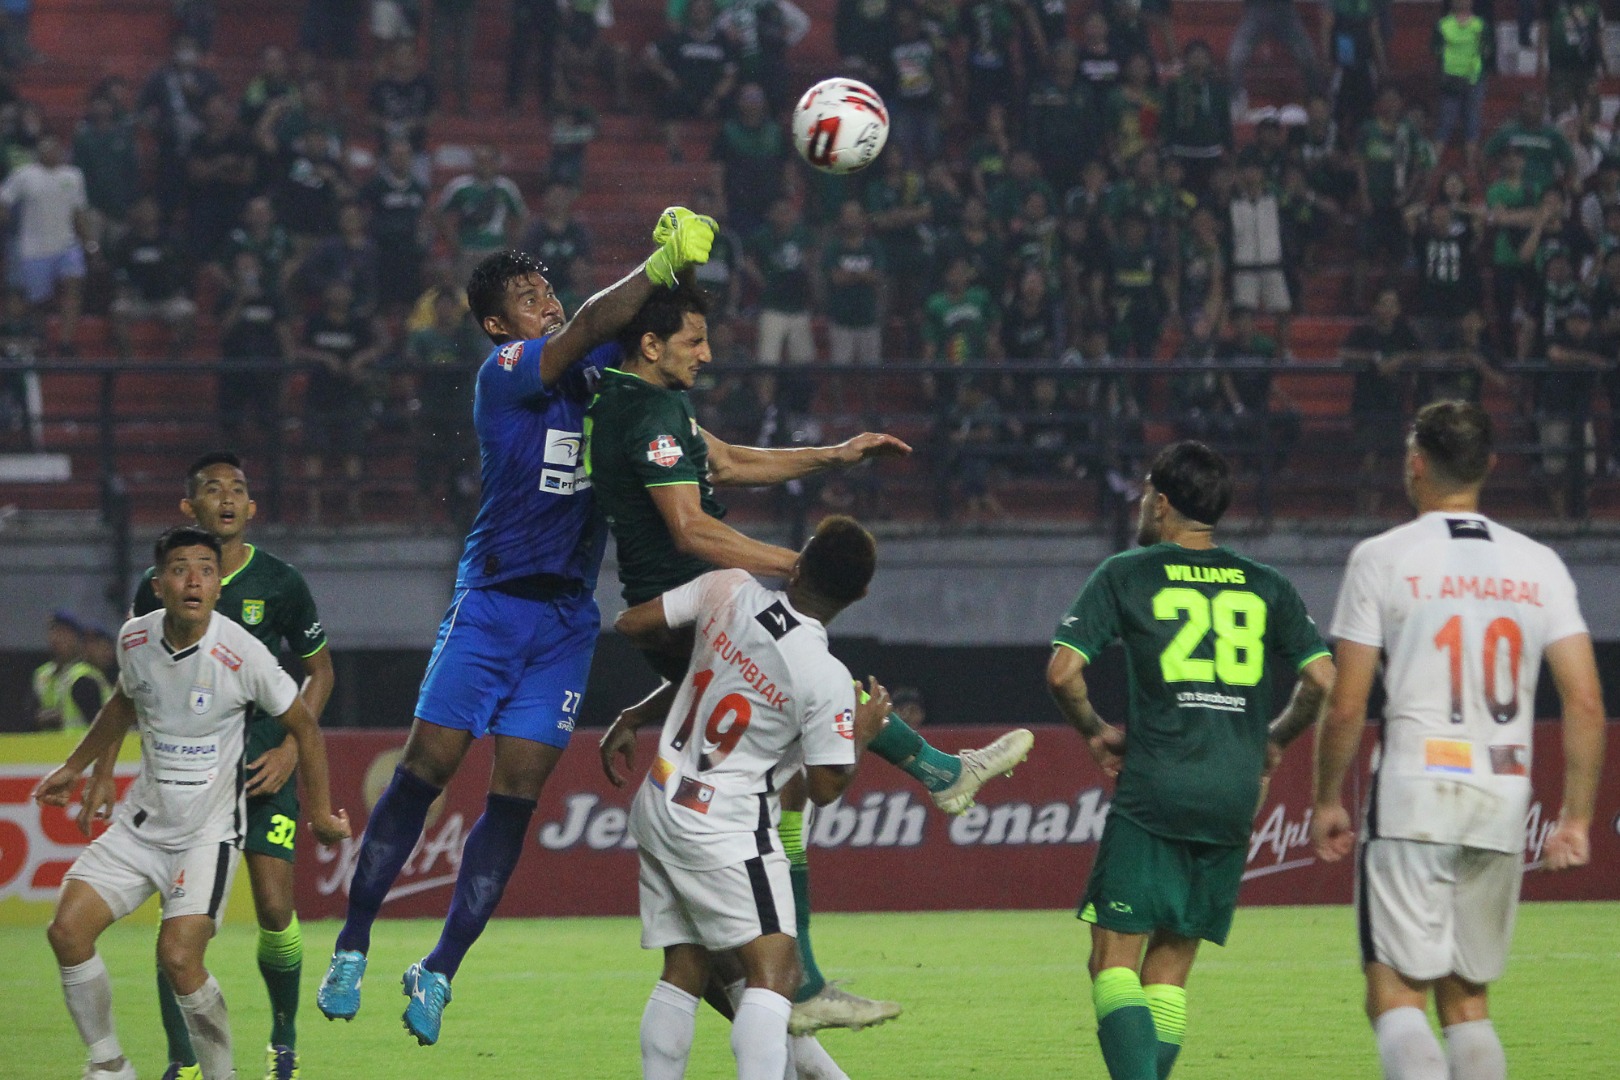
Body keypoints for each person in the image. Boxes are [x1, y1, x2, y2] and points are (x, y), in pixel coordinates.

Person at [317, 212, 720, 1046]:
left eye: (548, 290)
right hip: (493, 602)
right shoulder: (506, 371)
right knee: (426, 770)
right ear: (500, 323)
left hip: (567, 620)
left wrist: (680, 271)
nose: (547, 301)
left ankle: (439, 970)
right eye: (528, 297)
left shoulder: (603, 375)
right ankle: (353, 942)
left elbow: (640, 329)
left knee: (516, 797)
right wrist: (655, 259)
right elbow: (589, 325)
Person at [588, 282, 1035, 1035]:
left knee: (698, 956)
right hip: (690, 599)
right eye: (695, 340)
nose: (709, 352)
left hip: (686, 631)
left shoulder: (644, 406)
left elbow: (724, 462)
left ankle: (933, 787)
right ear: (650, 345)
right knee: (814, 719)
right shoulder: (649, 412)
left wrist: (834, 455)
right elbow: (691, 527)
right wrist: (796, 566)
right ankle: (810, 976)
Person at [1311, 400, 1605, 1080]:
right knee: (1468, 1000)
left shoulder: (1383, 557)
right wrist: (1577, 818)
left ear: (1415, 467)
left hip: (1415, 792)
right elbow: (1585, 699)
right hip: (1502, 794)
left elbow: (1349, 699)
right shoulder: (1538, 563)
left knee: (1394, 993)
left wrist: (1327, 797)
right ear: (1491, 467)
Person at [1046, 440, 1335, 1080]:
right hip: (1233, 792)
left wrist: (1094, 731)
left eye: (1147, 492)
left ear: (1163, 502)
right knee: (1170, 968)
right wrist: (1278, 738)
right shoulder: (1267, 584)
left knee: (1111, 960)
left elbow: (1064, 672)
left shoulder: (1128, 572)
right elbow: (1321, 678)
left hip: (1158, 782)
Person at [35, 525, 350, 1080]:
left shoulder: (243, 653)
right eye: (180, 569)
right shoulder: (134, 639)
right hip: (140, 828)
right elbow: (122, 705)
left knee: (180, 959)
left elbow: (305, 726)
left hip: (207, 837)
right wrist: (79, 768)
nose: (194, 581)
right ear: (159, 585)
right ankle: (109, 1064)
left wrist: (321, 813)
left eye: (206, 570)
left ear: (217, 586)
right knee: (66, 932)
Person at [617, 518, 891, 1080]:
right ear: (860, 594)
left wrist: (705, 660)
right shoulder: (824, 674)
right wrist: (860, 733)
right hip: (725, 825)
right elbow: (825, 788)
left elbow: (631, 622)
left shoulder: (729, 587)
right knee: (776, 975)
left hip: (662, 795)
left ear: (798, 562)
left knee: (685, 968)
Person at [31, 611, 111, 732]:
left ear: (77, 640)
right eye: (53, 631)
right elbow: (26, 716)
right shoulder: (42, 675)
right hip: (48, 748)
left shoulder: (83, 677)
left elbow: (100, 726)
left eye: (64, 633)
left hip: (80, 747)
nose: (56, 638)